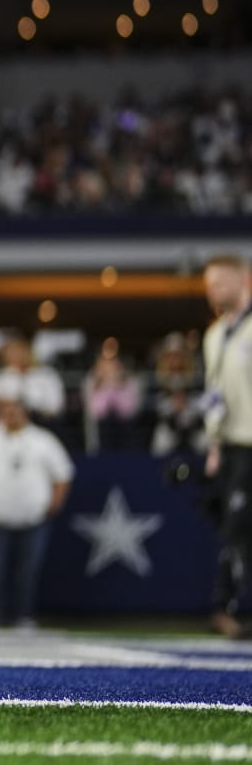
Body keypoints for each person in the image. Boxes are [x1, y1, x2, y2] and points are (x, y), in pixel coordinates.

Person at [0, 375, 74, 630]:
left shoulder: (43, 440)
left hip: (33, 518)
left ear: (24, 411)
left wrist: (54, 504)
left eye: (16, 409)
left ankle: (23, 617)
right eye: (6, 409)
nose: (11, 414)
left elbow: (63, 474)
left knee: (27, 572)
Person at [201, 255, 252, 637]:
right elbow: (214, 393)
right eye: (209, 284)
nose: (213, 290)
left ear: (243, 279)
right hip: (237, 446)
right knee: (235, 528)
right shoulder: (214, 335)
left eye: (220, 282)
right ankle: (227, 607)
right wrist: (214, 444)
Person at [83, 345, 144, 452]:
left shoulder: (129, 379)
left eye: (112, 362)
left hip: (125, 428)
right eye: (105, 362)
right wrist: (101, 385)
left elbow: (131, 410)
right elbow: (94, 410)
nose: (109, 367)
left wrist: (119, 384)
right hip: (102, 429)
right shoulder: (91, 380)